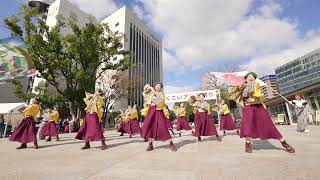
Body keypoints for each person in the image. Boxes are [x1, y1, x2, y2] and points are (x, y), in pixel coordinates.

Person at [238, 72, 295, 153]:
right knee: (247, 127)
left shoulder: (257, 84)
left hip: (259, 107)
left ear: (255, 78)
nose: (250, 78)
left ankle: (283, 142)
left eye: (252, 76)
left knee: (269, 125)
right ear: (246, 79)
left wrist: (251, 92)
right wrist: (242, 90)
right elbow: (241, 98)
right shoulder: (242, 87)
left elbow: (259, 95)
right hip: (248, 108)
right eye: (248, 77)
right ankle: (248, 144)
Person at [141, 82, 177, 151]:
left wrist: (153, 92)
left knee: (163, 127)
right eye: (156, 86)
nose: (157, 87)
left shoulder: (161, 94)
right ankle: (150, 144)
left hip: (158, 112)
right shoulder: (151, 93)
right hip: (151, 111)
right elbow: (147, 102)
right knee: (149, 127)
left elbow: (160, 102)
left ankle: (171, 143)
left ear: (161, 87)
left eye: (159, 86)